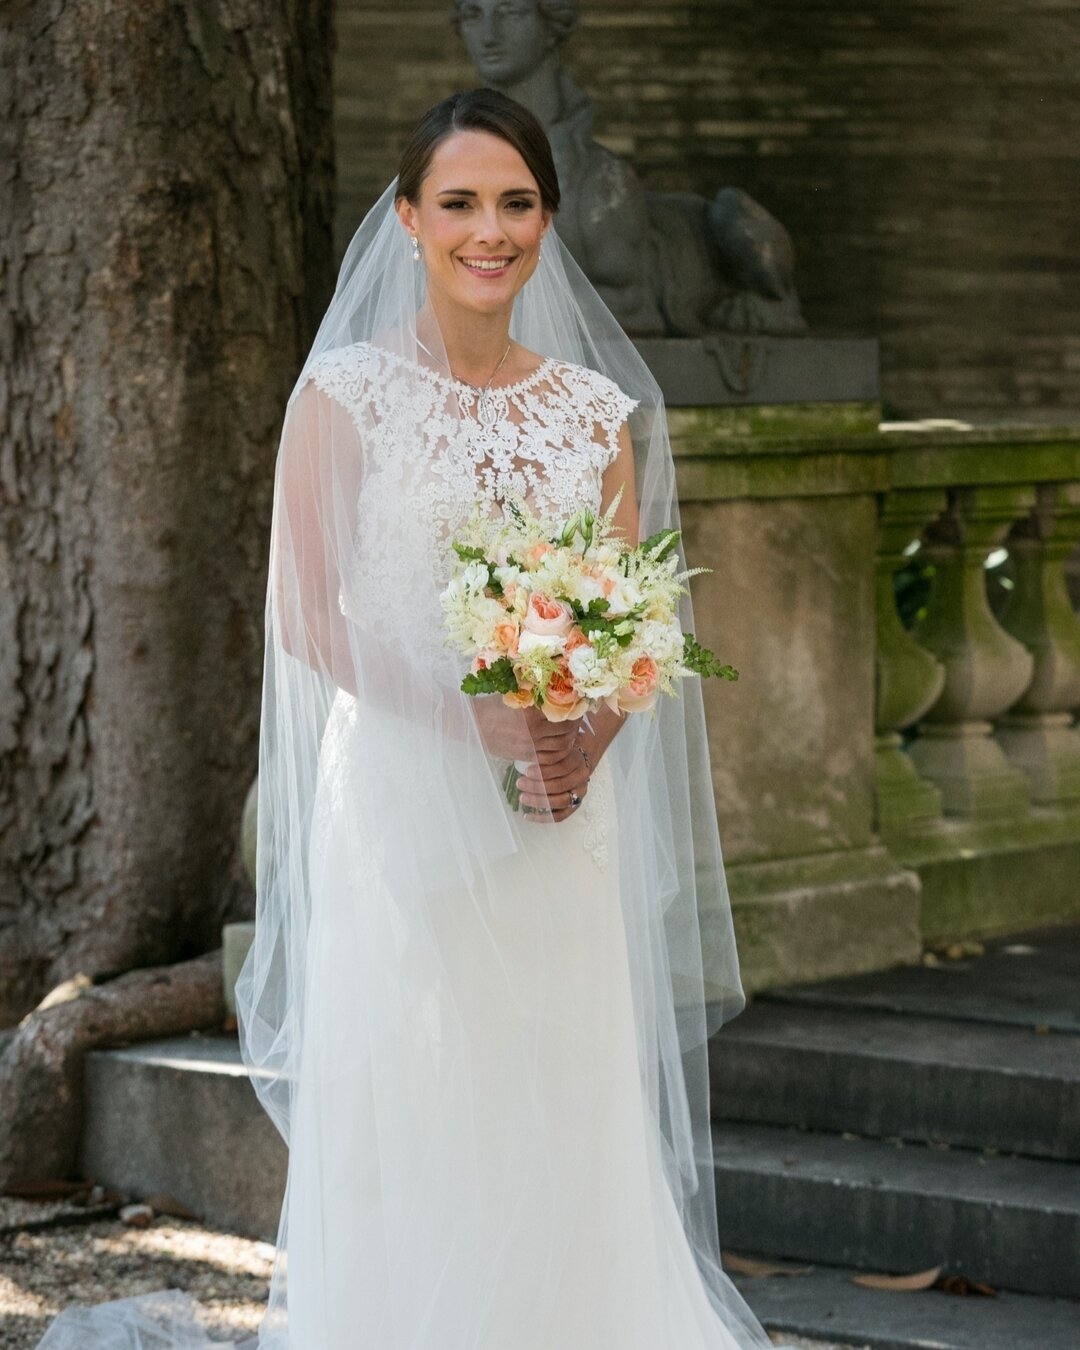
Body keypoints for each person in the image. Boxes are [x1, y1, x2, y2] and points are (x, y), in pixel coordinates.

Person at [35, 89, 795, 1350]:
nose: (487, 231)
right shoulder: (344, 395)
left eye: (515, 204)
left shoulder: (594, 417)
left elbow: (637, 628)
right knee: (419, 1090)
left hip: (558, 816)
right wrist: (471, 720)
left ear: (547, 223)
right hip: (396, 796)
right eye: (459, 204)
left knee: (555, 1086)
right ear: (408, 220)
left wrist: (578, 738)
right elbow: (309, 618)